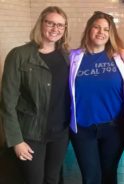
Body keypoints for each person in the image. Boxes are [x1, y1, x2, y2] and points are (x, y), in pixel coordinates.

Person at [0, 6, 70, 184]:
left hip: (60, 133)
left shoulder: (67, 56)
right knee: (34, 180)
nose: (55, 29)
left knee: (52, 178)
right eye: (50, 23)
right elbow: (7, 102)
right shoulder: (19, 55)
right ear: (41, 23)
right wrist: (16, 141)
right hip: (30, 134)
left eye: (61, 25)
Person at [69, 11, 124, 184]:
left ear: (111, 33)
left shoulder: (121, 56)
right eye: (97, 27)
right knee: (91, 178)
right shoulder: (73, 57)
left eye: (106, 29)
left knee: (108, 175)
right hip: (83, 129)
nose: (101, 32)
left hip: (114, 129)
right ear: (89, 29)